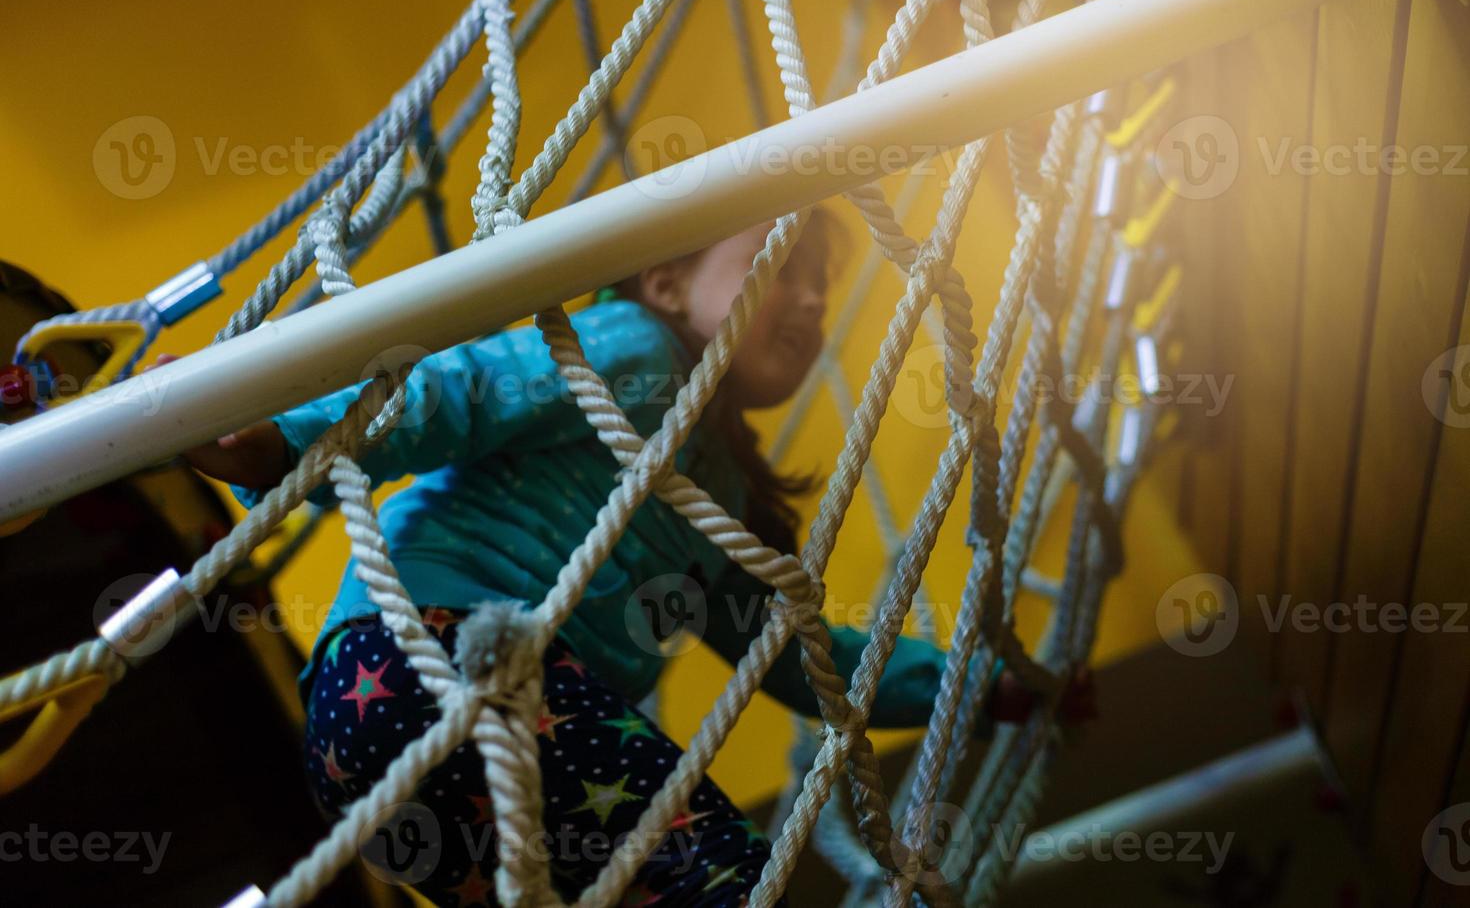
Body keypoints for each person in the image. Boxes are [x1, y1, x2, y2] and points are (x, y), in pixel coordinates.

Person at [165, 210, 1082, 906]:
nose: (809, 299)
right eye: (785, 266)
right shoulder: (634, 352)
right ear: (667, 285)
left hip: (399, 762)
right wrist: (287, 440)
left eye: (824, 283)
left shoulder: (725, 501)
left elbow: (811, 663)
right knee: (727, 875)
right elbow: (460, 393)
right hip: (424, 662)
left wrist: (972, 683)